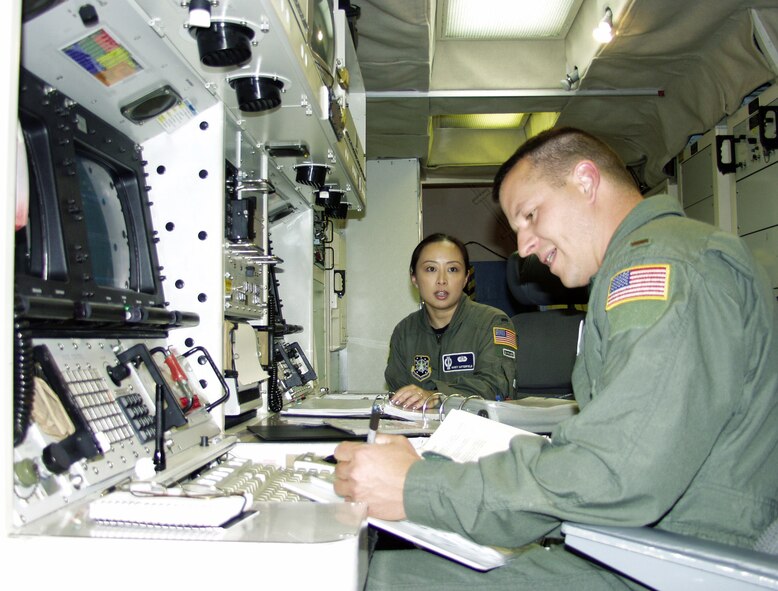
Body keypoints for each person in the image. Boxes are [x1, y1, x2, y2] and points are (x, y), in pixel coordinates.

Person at [333, 127, 778, 589]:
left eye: (529, 215)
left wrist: (419, 488)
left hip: (671, 561)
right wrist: (433, 474)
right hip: (628, 541)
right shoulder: (650, 264)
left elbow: (612, 472)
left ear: (585, 182)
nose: (523, 247)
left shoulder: (662, 269)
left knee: (369, 579)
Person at [385, 233, 517, 409]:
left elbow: (496, 387)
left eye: (452, 269)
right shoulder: (404, 332)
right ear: (414, 278)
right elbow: (399, 396)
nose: (442, 280)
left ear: (465, 278)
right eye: (431, 269)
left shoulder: (493, 323)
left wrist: (437, 396)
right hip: (419, 432)